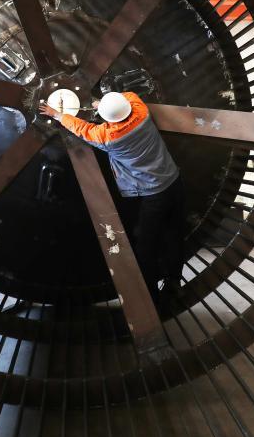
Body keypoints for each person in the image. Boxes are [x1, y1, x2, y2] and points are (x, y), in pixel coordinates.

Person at [40, 91, 184, 302]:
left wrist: (57, 114)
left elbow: (82, 129)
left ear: (108, 119)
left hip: (153, 195)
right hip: (174, 182)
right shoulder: (142, 113)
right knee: (174, 235)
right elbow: (130, 96)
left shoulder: (108, 138)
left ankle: (151, 298)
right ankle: (174, 282)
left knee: (145, 247)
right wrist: (103, 103)